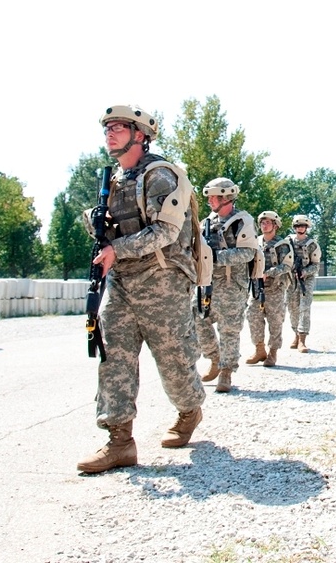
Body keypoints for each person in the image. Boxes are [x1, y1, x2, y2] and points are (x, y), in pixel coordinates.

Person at [76, 104, 207, 475]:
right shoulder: (115, 180)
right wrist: (95, 223)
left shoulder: (161, 175)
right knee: (114, 357)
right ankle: (119, 441)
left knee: (173, 359)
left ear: (141, 134)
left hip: (162, 280)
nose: (109, 134)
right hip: (123, 282)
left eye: (118, 127)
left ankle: (189, 409)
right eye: (107, 129)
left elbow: (165, 232)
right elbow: (111, 232)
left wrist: (116, 249)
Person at [196, 177, 258, 393]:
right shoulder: (206, 222)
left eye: (214, 197)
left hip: (233, 285)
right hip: (208, 284)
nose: (210, 201)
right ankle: (214, 358)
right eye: (210, 197)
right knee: (198, 320)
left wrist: (215, 257)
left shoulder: (243, 221)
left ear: (226, 197)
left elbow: (248, 252)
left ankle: (226, 371)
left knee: (229, 329)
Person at [245, 211, 294, 368]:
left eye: (268, 222)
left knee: (275, 321)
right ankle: (259, 349)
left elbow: (287, 266)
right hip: (256, 288)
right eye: (262, 222)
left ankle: (272, 352)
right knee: (253, 316)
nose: (264, 225)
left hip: (275, 288)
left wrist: (269, 273)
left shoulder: (283, 245)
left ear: (275, 225)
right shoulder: (255, 242)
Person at [286, 214, 321, 352]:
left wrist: (305, 272)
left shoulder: (312, 245)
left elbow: (316, 265)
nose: (300, 228)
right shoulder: (288, 242)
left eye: (303, 226)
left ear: (307, 227)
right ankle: (295, 334)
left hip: (307, 278)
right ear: (294, 227)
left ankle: (302, 340)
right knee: (292, 307)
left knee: (304, 308)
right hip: (291, 278)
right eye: (298, 226)